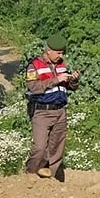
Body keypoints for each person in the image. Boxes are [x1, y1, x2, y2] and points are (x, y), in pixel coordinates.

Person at [25, 34, 80, 180]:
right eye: (58, 53)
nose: (61, 56)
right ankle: (30, 175)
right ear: (48, 51)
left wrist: (73, 80)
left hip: (60, 110)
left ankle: (51, 177)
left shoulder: (62, 64)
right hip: (42, 111)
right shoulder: (34, 65)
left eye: (62, 53)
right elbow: (33, 87)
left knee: (57, 147)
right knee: (40, 147)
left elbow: (69, 87)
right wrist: (56, 80)